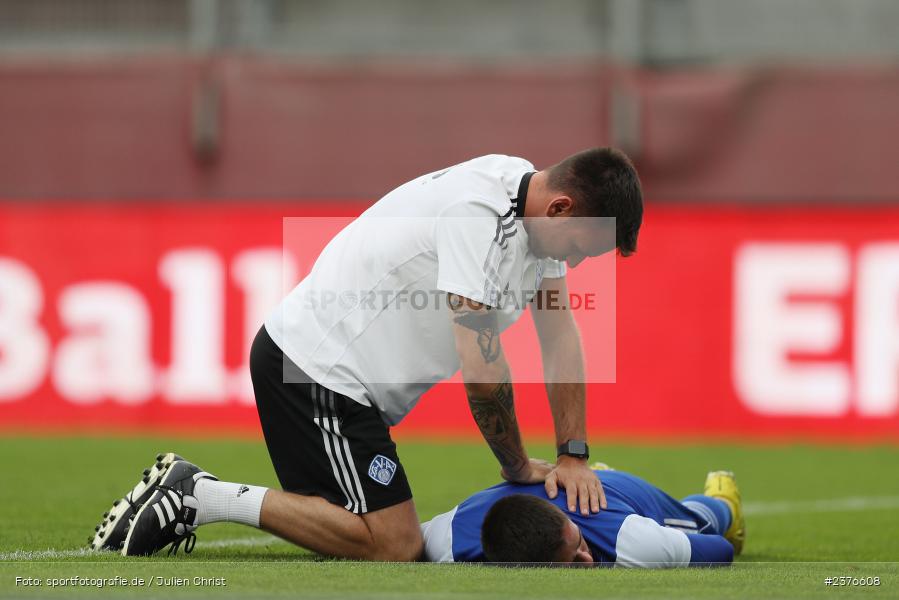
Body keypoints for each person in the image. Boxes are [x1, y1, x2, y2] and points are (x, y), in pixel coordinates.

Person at [92, 149, 644, 559]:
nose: (573, 266)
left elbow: (560, 335)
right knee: (395, 543)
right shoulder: (478, 217)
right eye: (580, 249)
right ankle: (198, 495)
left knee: (364, 530)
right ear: (562, 208)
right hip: (314, 371)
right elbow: (483, 371)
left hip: (343, 385)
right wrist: (518, 466)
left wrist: (573, 453)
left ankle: (196, 493)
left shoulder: (532, 205)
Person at [420, 467, 745, 567]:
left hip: (616, 494)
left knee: (705, 520)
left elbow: (721, 550)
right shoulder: (446, 539)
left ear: (570, 525)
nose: (588, 560)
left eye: (580, 545)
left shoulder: (631, 541)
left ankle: (721, 491)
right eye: (575, 562)